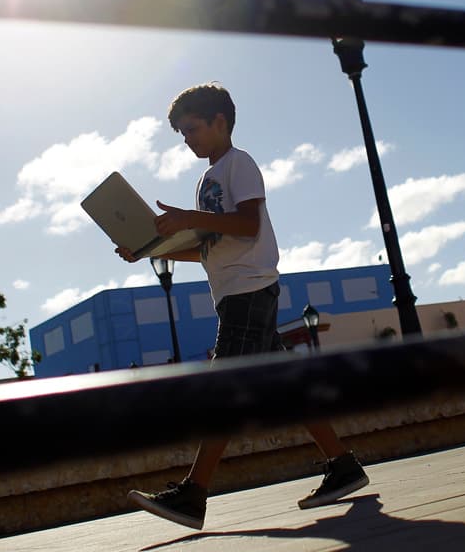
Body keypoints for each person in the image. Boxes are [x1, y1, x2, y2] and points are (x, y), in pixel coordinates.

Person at [115, 82, 369, 530]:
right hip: (235, 292)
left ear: (220, 122)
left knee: (223, 389)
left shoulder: (240, 164)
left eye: (191, 129)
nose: (187, 139)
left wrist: (189, 218)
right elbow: (210, 248)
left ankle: (193, 495)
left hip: (249, 290)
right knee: (290, 388)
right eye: (181, 133)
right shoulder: (207, 179)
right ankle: (343, 465)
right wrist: (149, 249)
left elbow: (249, 224)